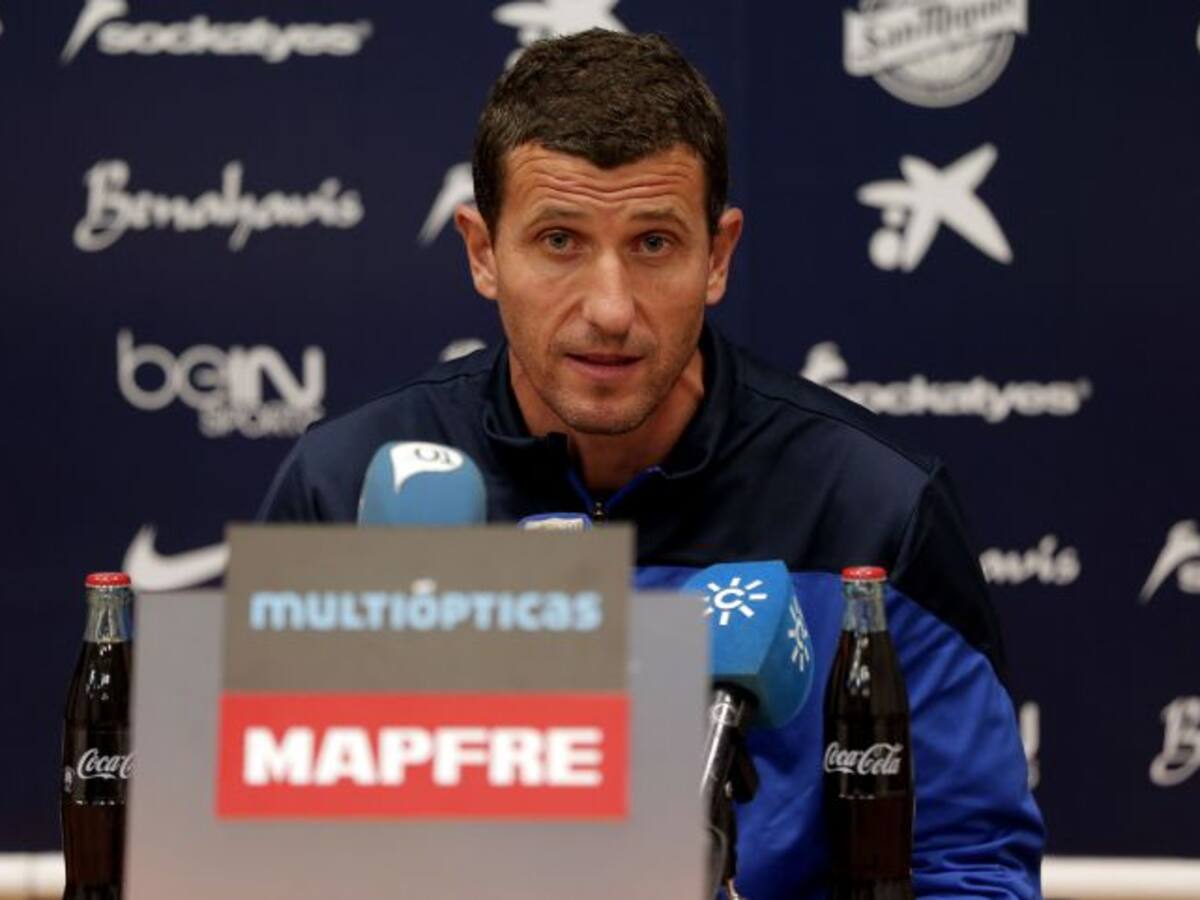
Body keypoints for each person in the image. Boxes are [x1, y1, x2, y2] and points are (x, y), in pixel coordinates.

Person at [260, 28, 1045, 898]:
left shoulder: (875, 506)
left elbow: (969, 870)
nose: (610, 308)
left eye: (654, 244)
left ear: (719, 256)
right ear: (483, 252)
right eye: (560, 240)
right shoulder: (344, 488)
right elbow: (266, 853)